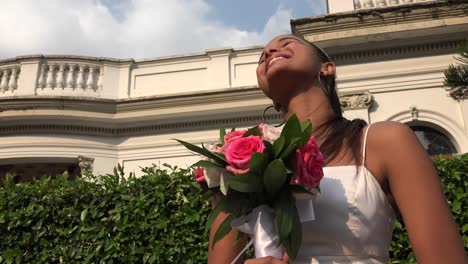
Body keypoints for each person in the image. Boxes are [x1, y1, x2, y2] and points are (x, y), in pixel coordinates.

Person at [207, 34, 467, 264]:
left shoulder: (384, 141)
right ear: (269, 95)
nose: (269, 52)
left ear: (327, 68)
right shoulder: (239, 159)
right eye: (263, 55)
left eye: (287, 43)